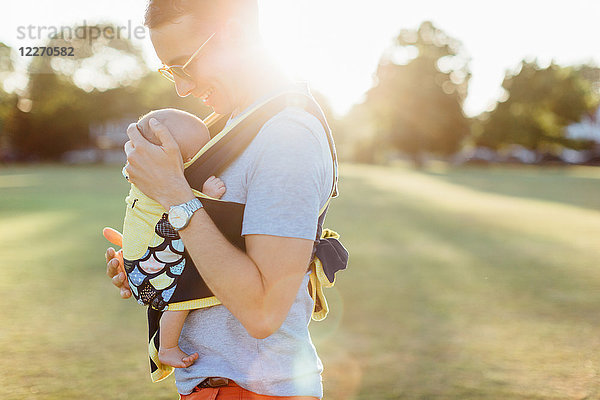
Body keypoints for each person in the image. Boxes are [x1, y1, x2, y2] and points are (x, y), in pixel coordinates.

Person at [105, 1, 335, 398]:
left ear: (234, 34)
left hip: (255, 389)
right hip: (216, 386)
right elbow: (212, 246)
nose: (182, 88)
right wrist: (158, 262)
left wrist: (176, 198)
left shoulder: (287, 136)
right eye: (170, 71)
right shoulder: (232, 125)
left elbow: (263, 311)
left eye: (184, 65)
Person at [120, 108, 226, 369]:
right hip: (149, 261)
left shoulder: (141, 173)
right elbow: (184, 205)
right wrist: (207, 194)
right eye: (191, 156)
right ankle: (166, 347)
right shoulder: (152, 179)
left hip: (139, 256)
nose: (198, 160)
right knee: (181, 295)